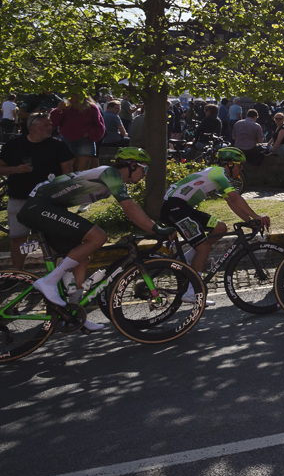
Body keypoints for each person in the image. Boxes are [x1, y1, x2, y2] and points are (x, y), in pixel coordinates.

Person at [21, 148, 168, 331]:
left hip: (48, 207)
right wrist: (157, 229)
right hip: (39, 206)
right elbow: (129, 208)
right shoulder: (110, 173)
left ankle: (74, 313)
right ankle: (48, 281)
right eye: (144, 169)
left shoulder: (116, 181)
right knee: (98, 237)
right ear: (132, 165)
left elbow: (131, 211)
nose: (145, 174)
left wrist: (153, 229)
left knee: (82, 258)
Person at [161, 148, 271, 304]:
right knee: (204, 248)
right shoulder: (219, 173)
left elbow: (231, 202)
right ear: (230, 163)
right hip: (175, 208)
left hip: (181, 207)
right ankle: (192, 292)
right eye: (239, 165)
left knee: (220, 228)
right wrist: (257, 216)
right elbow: (235, 197)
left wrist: (249, 221)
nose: (241, 169)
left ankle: (188, 258)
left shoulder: (217, 174)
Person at [0, 112, 74, 269]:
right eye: (45, 125)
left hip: (49, 201)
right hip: (19, 198)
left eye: (50, 124)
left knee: (52, 237)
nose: (50, 127)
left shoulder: (58, 145)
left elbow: (68, 174)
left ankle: (54, 275)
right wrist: (15, 169)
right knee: (19, 238)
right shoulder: (14, 145)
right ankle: (18, 274)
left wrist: (64, 197)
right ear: (32, 127)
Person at [51, 94, 106, 172]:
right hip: (67, 140)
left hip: (85, 140)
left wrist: (90, 133)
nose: (69, 96)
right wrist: (58, 110)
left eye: (73, 94)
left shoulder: (91, 108)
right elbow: (52, 123)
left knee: (82, 171)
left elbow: (99, 125)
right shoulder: (65, 108)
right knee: (66, 170)